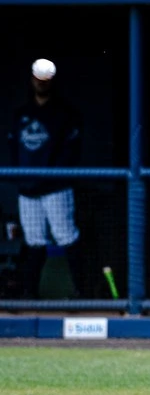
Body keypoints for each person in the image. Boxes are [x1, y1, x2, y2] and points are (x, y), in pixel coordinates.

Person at [7, 58, 87, 299]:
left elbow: (71, 152)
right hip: (28, 190)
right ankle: (29, 296)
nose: (41, 84)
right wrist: (23, 180)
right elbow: (14, 151)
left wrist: (50, 178)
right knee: (34, 242)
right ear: (31, 80)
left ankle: (83, 295)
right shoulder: (22, 114)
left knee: (66, 237)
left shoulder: (64, 114)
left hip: (56, 188)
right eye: (37, 79)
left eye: (46, 80)